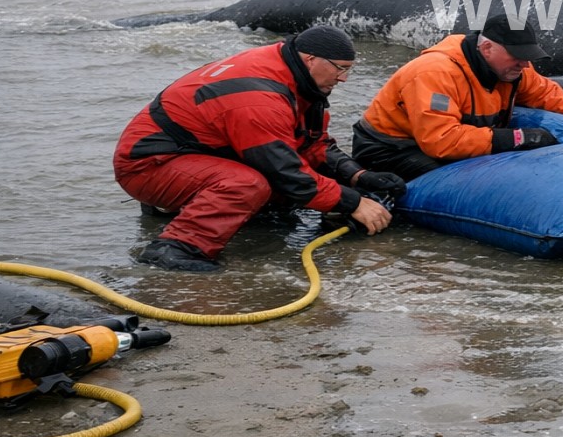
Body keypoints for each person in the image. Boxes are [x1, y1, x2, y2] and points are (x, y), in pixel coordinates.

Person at [113, 25, 397, 272]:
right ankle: (177, 248)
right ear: (311, 60)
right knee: (247, 185)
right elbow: (286, 172)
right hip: (148, 165)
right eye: (341, 68)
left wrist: (357, 176)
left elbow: (311, 143)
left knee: (291, 187)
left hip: (197, 153)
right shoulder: (258, 99)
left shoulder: (296, 76)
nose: (344, 78)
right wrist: (353, 203)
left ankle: (186, 207)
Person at [352, 13, 563, 181]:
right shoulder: (435, 73)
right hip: (391, 147)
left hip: (447, 137)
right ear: (487, 48)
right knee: (457, 182)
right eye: (517, 55)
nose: (524, 63)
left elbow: (549, 95)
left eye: (528, 56)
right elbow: (440, 142)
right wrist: (520, 138)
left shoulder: (516, 69)